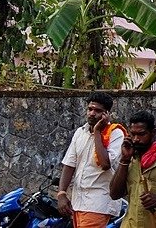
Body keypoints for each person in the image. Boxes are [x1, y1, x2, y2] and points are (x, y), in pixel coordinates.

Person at [57, 92, 126, 227]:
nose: (92, 113)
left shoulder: (115, 134)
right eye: (90, 109)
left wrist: (98, 132)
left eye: (97, 110)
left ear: (106, 114)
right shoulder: (80, 132)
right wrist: (61, 193)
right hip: (78, 203)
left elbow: (105, 164)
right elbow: (69, 164)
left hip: (98, 203)